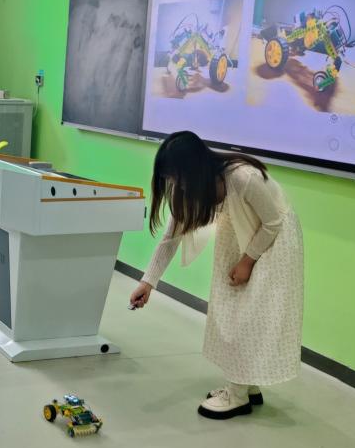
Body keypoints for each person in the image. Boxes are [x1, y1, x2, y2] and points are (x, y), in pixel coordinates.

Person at [129, 131, 304, 419]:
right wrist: (148, 282)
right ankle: (245, 383)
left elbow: (274, 222)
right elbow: (170, 238)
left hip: (272, 241)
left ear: (194, 169)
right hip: (240, 234)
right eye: (171, 179)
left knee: (249, 315)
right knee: (231, 310)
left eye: (177, 178)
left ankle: (237, 396)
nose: (175, 185)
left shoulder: (243, 178)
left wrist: (247, 261)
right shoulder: (189, 186)